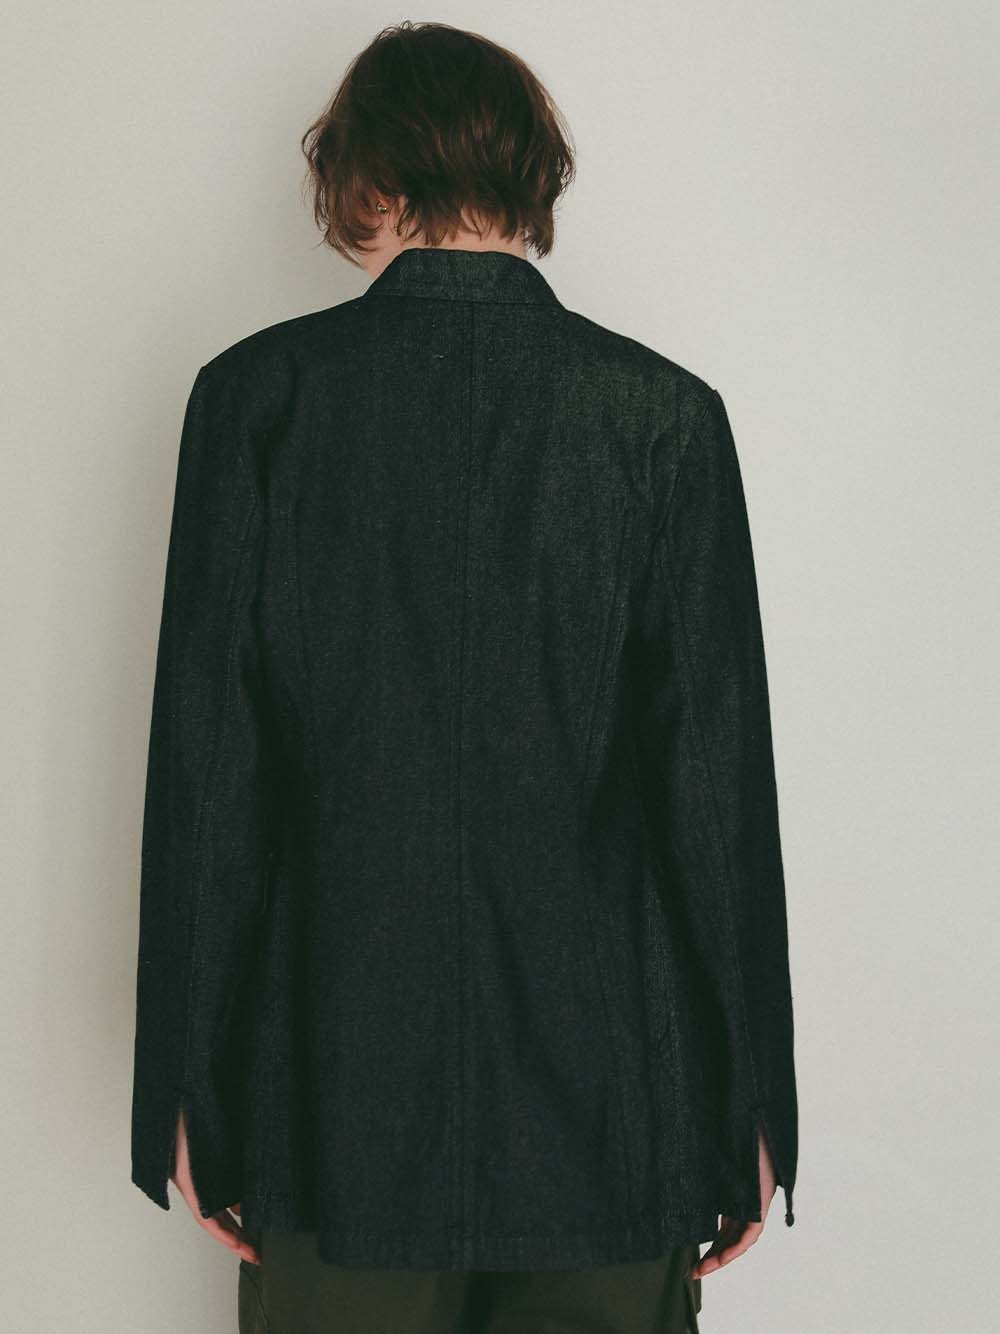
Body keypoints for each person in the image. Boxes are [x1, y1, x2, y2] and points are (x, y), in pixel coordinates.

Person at [130, 19, 798, 1333]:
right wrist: (754, 1097)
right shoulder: (664, 419)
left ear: (365, 178)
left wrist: (184, 1087)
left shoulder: (255, 404)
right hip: (611, 1113)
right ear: (535, 174)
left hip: (332, 1104)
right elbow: (715, 791)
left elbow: (210, 779)